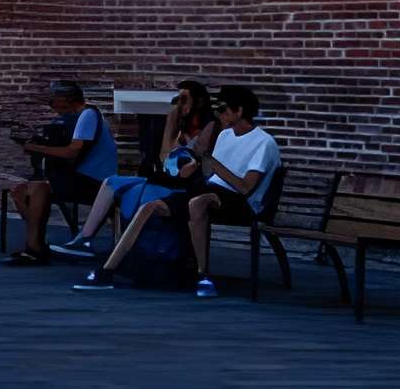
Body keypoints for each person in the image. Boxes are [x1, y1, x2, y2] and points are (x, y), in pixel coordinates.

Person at [72, 84, 277, 299]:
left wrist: (209, 160)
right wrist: (193, 164)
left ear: (240, 111)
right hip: (210, 190)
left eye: (224, 109)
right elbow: (209, 172)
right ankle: (108, 270)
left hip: (241, 201)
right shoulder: (226, 136)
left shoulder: (263, 142)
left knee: (197, 202)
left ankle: (203, 275)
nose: (218, 113)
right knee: (149, 207)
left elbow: (245, 187)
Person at [53, 81, 216, 259]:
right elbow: (165, 159)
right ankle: (85, 238)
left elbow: (197, 156)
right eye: (178, 99)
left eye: (184, 99)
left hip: (186, 185)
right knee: (111, 182)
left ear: (198, 102)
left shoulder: (210, 125)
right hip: (167, 178)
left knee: (138, 191)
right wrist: (171, 124)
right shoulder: (179, 127)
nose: (179, 104)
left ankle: (125, 250)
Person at [2, 78, 117, 264]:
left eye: (54, 99)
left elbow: (72, 152)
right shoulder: (73, 118)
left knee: (39, 189)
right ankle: (36, 243)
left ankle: (35, 248)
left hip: (97, 182)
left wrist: (35, 148)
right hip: (82, 178)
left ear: (66, 99)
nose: (51, 103)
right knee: (20, 191)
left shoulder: (88, 115)